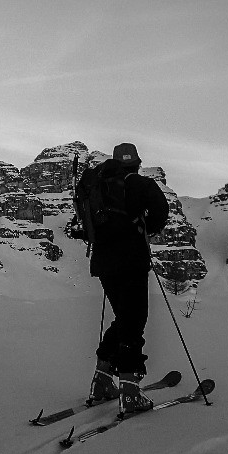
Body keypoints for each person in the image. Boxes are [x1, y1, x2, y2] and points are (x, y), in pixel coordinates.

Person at [77, 142, 169, 414]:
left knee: (123, 318)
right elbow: (160, 212)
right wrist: (144, 229)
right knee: (134, 320)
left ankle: (102, 381)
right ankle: (129, 389)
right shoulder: (141, 184)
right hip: (131, 260)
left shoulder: (98, 186)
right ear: (137, 163)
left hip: (104, 263)